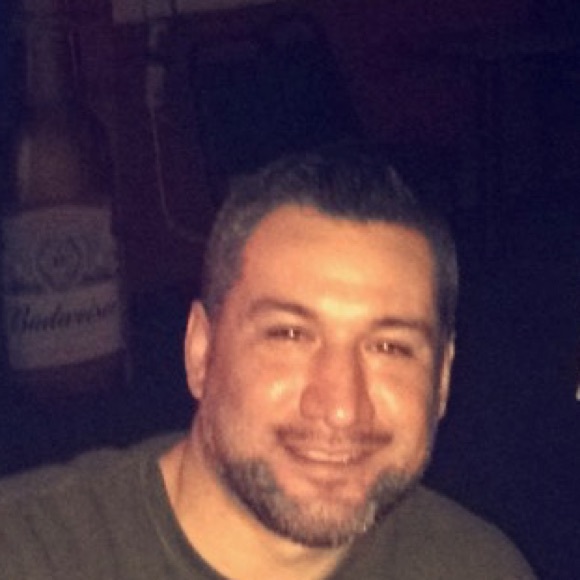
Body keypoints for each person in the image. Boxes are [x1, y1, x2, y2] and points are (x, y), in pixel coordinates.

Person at [0, 144, 537, 579]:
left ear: (442, 379)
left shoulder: (476, 567)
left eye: (389, 347)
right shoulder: (28, 555)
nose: (341, 407)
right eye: (290, 335)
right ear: (201, 352)